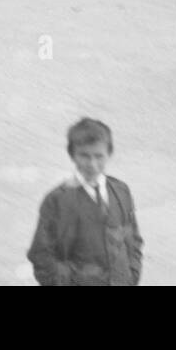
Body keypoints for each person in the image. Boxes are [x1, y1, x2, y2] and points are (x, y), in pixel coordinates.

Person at [27, 117, 143, 287]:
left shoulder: (121, 191)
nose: (92, 164)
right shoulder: (58, 200)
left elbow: (132, 239)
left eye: (99, 156)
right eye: (84, 156)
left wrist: (132, 275)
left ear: (109, 154)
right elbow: (41, 254)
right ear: (72, 155)